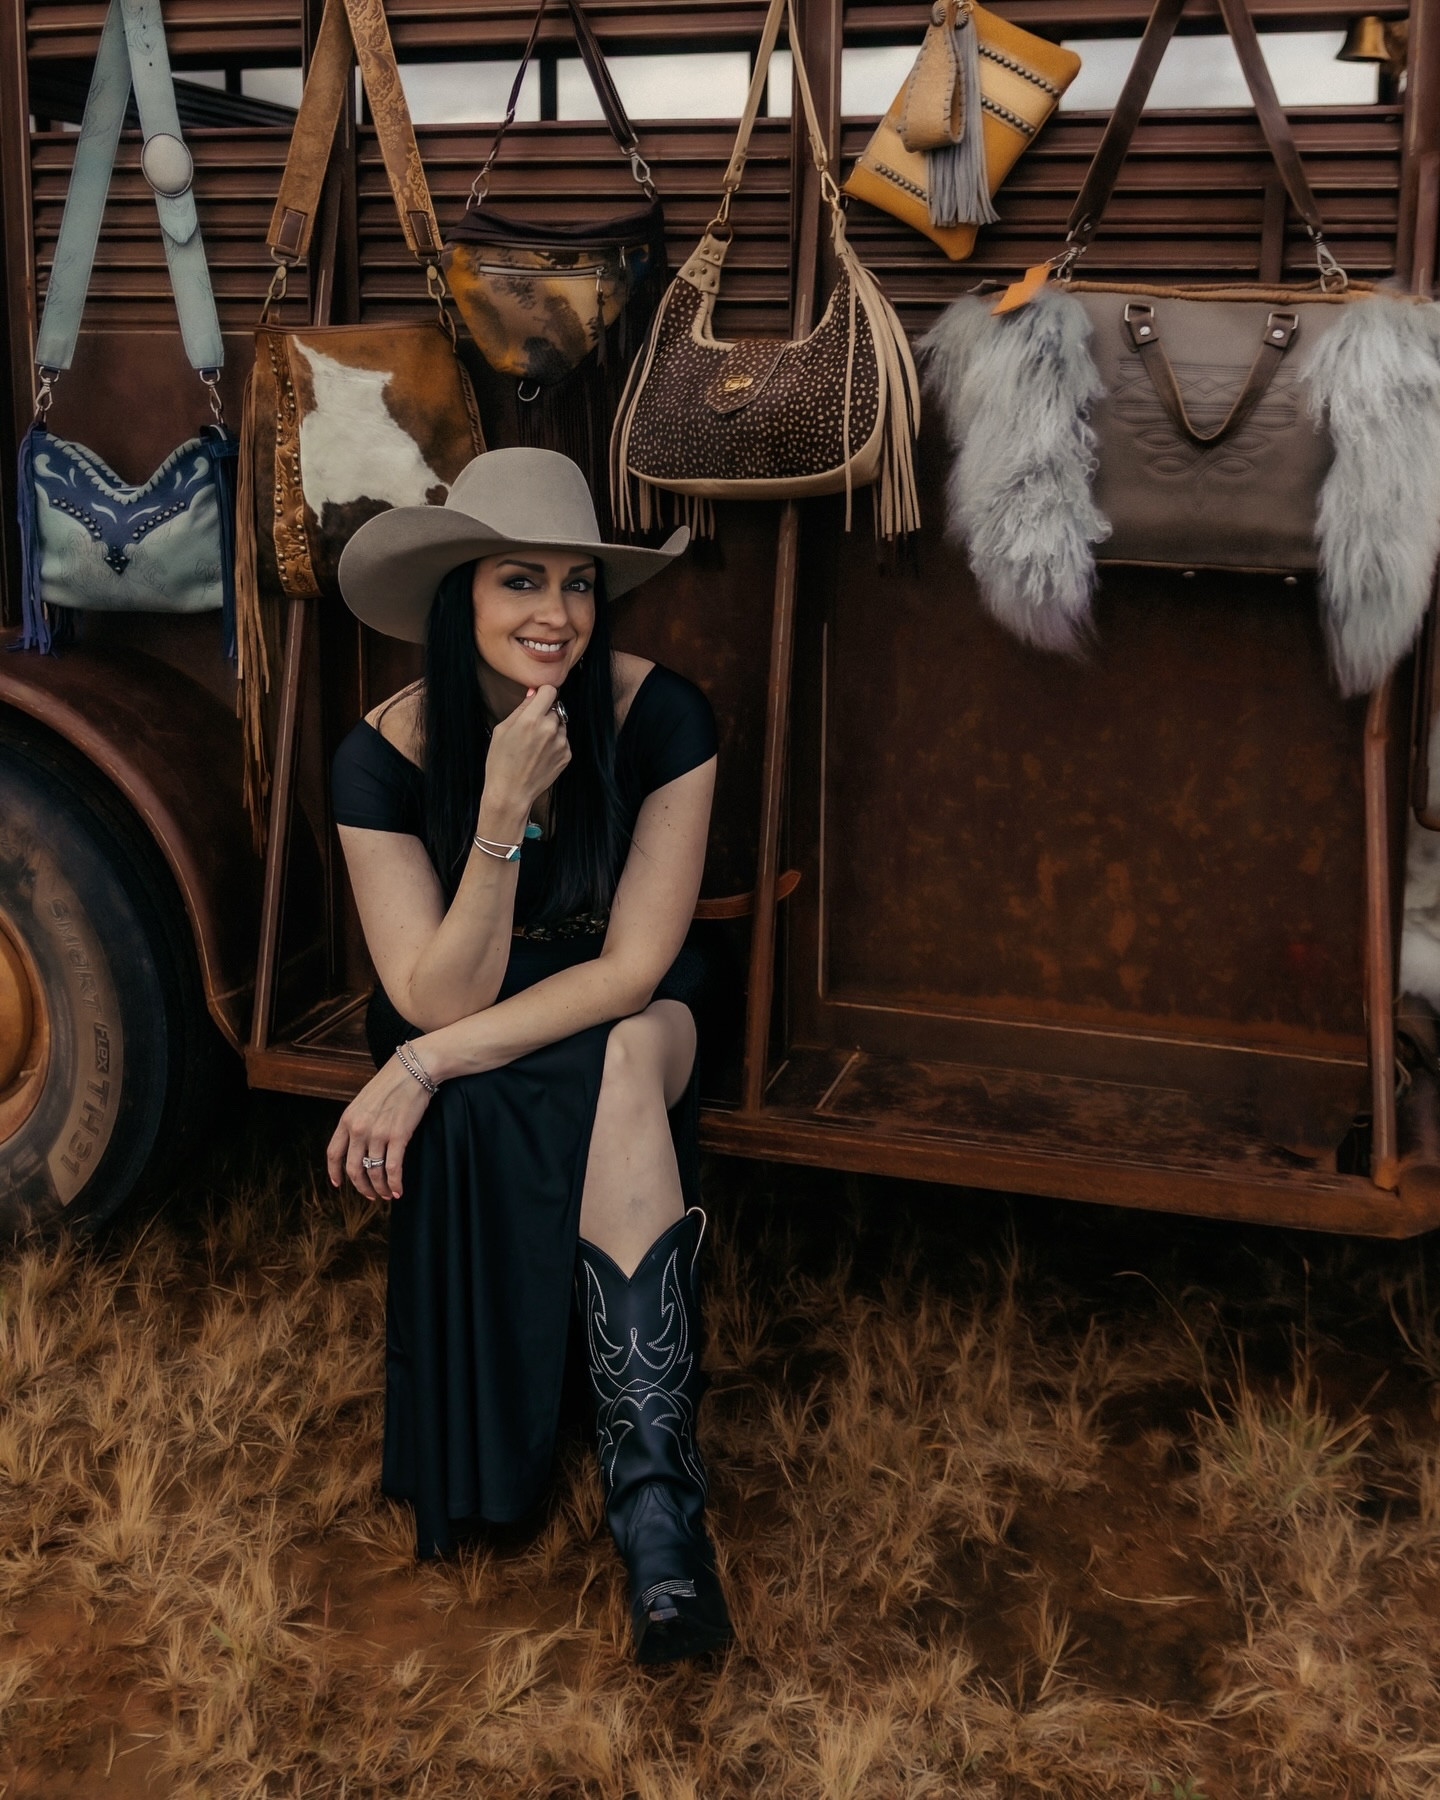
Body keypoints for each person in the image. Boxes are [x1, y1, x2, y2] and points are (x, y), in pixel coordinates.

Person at [324, 447, 733, 1665]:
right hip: (477, 1003)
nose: (554, 616)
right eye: (520, 582)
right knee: (531, 1079)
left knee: (614, 1060)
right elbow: (435, 990)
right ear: (461, 597)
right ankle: (582, 1469)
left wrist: (421, 1066)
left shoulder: (662, 719)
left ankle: (660, 1521)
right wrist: (498, 820)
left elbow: (629, 972)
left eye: (576, 585)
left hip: (630, 1018)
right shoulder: (380, 760)